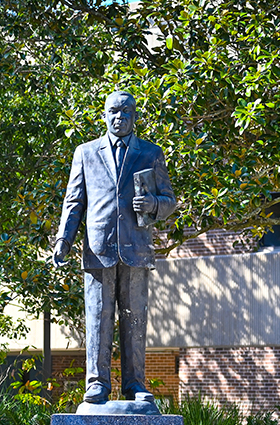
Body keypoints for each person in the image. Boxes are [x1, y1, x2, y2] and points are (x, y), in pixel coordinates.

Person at [52, 91, 177, 404]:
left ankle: (135, 384)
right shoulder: (85, 152)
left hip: (136, 248)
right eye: (113, 112)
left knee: (135, 319)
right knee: (98, 317)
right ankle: (97, 383)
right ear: (104, 116)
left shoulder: (151, 153)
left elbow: (169, 200)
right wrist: (63, 240)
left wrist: (153, 203)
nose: (119, 118)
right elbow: (74, 201)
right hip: (98, 248)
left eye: (126, 112)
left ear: (135, 117)